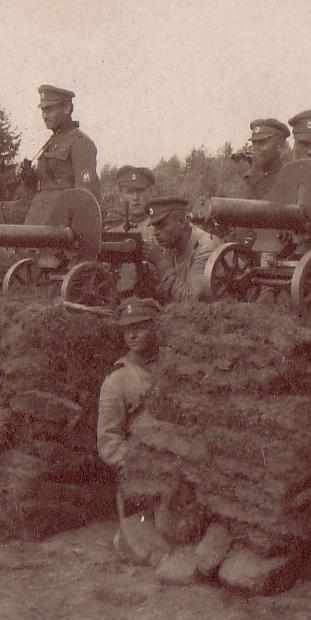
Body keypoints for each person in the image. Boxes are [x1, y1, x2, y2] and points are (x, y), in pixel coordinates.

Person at [97, 297, 161, 472]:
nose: (132, 335)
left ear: (154, 327)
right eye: (127, 329)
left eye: (139, 327)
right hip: (142, 468)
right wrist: (140, 465)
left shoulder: (172, 363)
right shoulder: (117, 379)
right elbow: (108, 440)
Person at [24, 85, 101, 202]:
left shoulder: (80, 143)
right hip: (38, 209)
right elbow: (45, 186)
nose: (44, 116)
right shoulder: (51, 143)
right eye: (43, 111)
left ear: (66, 108)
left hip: (61, 211)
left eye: (49, 109)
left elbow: (86, 196)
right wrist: (28, 175)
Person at [142, 195, 221, 304]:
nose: (155, 233)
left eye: (161, 225)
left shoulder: (205, 248)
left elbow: (191, 301)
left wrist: (160, 263)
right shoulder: (170, 246)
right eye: (155, 227)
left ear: (182, 222)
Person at [238, 118, 290, 200]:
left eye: (262, 143)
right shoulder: (249, 179)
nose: (255, 148)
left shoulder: (287, 179)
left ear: (280, 147)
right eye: (254, 143)